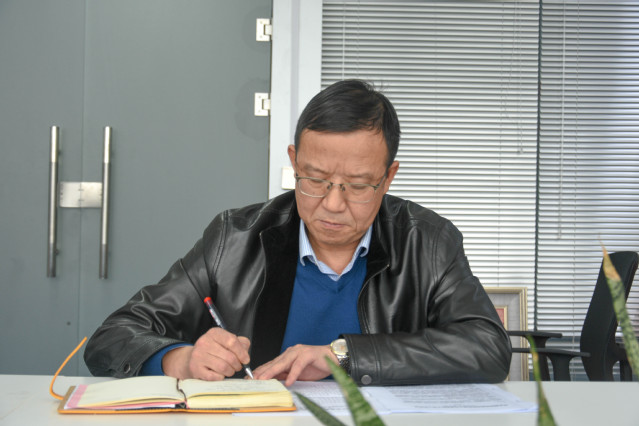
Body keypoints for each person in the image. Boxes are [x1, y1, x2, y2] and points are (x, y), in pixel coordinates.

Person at [84, 79, 511, 386]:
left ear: (388, 177)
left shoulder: (427, 242)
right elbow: (113, 337)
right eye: (315, 179)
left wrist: (345, 356)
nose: (333, 204)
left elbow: (487, 347)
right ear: (294, 161)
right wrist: (182, 359)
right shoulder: (235, 238)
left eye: (358, 186)